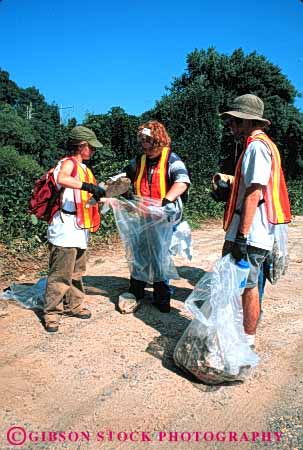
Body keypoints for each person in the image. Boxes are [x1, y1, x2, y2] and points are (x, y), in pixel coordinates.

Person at [220, 94, 291, 347]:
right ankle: (237, 337)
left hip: (250, 234)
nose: (230, 127)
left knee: (247, 288)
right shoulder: (263, 145)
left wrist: (241, 236)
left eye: (233, 122)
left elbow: (254, 193)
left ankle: (245, 342)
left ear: (247, 122)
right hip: (255, 232)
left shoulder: (257, 147)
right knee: (244, 286)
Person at [43, 126, 107, 333]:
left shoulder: (85, 169)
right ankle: (52, 313)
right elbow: (62, 179)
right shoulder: (67, 164)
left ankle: (74, 305)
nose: (94, 151)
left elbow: (90, 196)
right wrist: (88, 187)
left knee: (77, 271)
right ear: (82, 146)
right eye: (91, 147)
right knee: (60, 273)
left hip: (80, 227)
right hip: (65, 226)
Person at [122, 120, 191, 313]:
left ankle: (162, 296)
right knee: (140, 253)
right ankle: (136, 290)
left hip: (164, 219)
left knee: (161, 256)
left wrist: (167, 200)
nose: (146, 147)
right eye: (143, 142)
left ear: (159, 141)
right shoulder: (139, 161)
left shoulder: (172, 159)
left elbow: (182, 181)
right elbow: (122, 179)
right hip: (143, 217)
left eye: (149, 143)